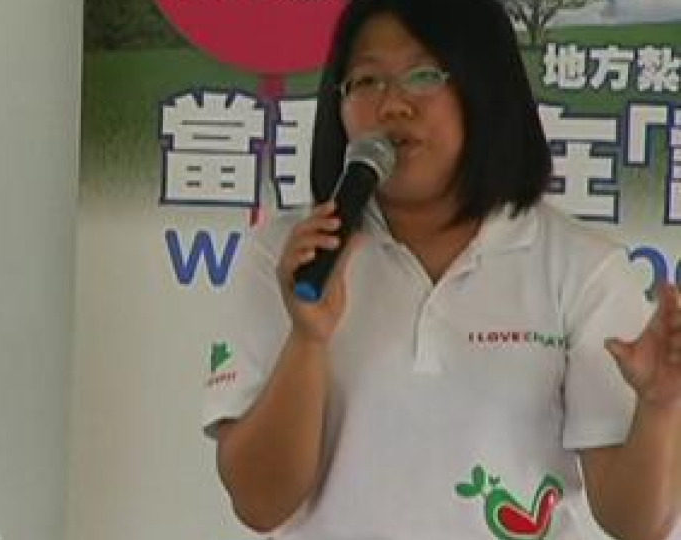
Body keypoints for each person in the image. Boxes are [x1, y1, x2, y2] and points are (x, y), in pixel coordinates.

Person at [201, 0, 681, 539]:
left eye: (424, 75)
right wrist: (307, 339)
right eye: (366, 80)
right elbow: (259, 504)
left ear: (485, 91)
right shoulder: (288, 256)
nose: (392, 104)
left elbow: (638, 524)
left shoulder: (580, 268)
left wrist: (661, 406)